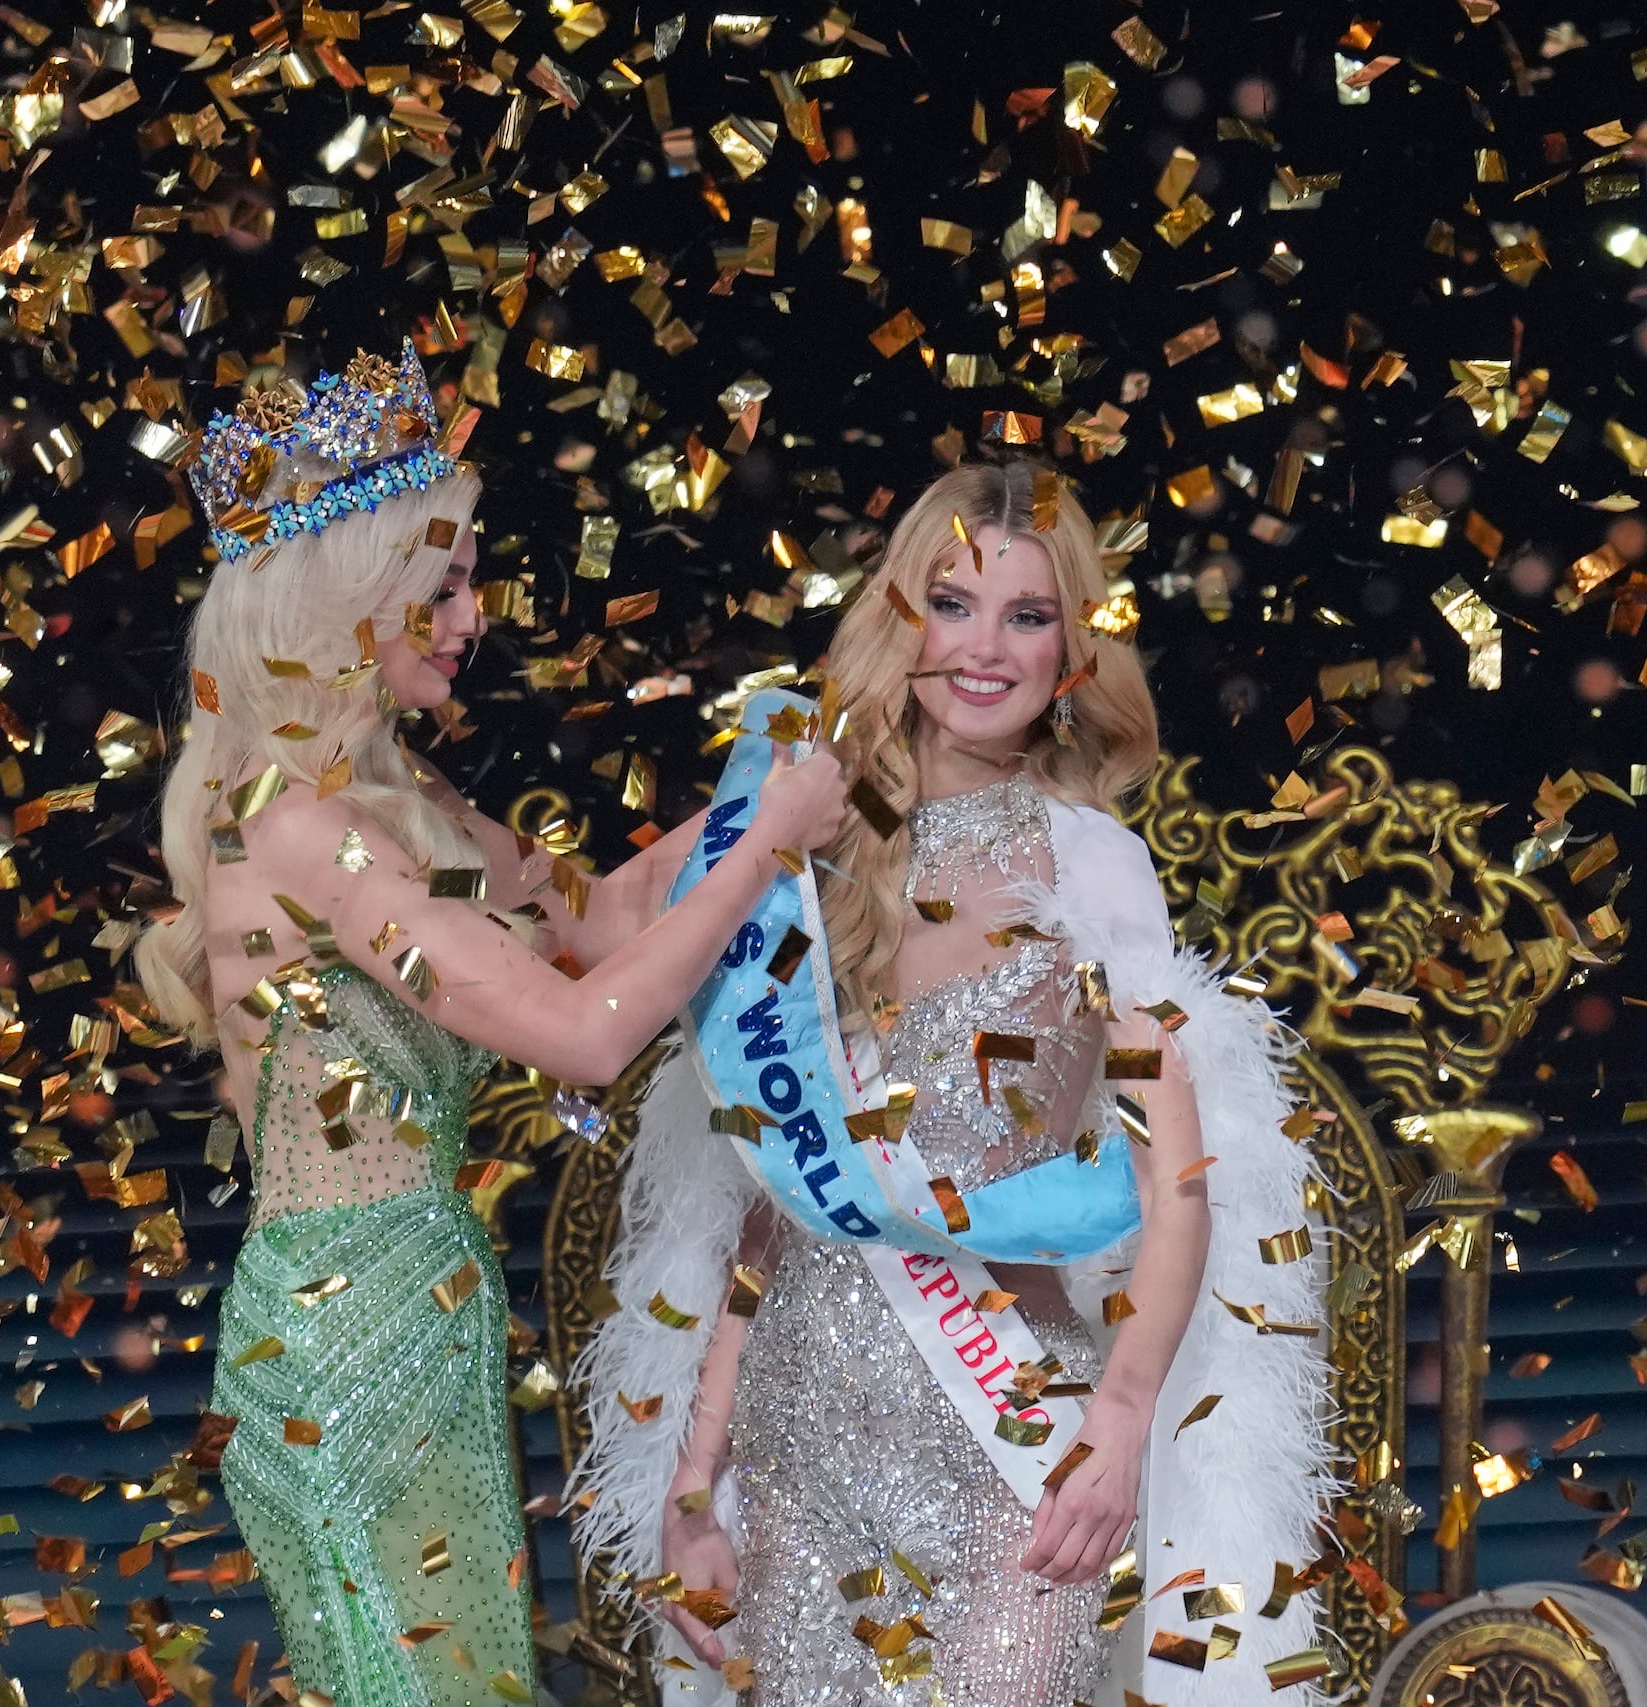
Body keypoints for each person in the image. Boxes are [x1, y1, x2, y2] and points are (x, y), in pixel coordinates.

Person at [134, 345, 847, 1707]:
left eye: (471, 577)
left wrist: (781, 782)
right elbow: (583, 1030)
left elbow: (603, 914)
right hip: (344, 1344)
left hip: (414, 1311)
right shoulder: (301, 827)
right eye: (442, 580)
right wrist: (773, 848)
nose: (472, 613)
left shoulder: (401, 802)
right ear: (347, 595)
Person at [571, 459, 1334, 1707]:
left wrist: (1123, 1423)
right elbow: (765, 1178)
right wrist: (693, 1481)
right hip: (793, 1441)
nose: (986, 650)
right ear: (897, 618)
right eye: (952, 604)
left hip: (1011, 1442)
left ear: (1071, 649)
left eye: (1028, 617)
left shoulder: (1087, 861)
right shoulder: (805, 831)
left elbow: (1176, 1175)